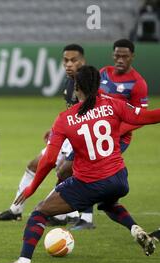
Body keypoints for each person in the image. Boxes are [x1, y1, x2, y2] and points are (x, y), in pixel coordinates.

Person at [0, 65, 158, 263]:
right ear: (99, 85)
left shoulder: (65, 119)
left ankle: (23, 262)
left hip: (89, 183)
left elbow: (48, 160)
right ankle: (135, 229)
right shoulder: (115, 105)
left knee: (40, 212)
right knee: (108, 204)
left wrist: (32, 188)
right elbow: (149, 117)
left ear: (76, 88)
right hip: (119, 179)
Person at [0, 44, 87, 226]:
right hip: (66, 137)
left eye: (74, 60)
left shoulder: (89, 85)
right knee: (34, 165)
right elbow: (71, 112)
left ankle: (62, 215)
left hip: (81, 139)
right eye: (66, 60)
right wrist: (56, 129)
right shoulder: (70, 82)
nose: (69, 64)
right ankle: (15, 210)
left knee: (64, 173)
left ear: (83, 61)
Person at [59, 39, 149, 230]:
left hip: (117, 138)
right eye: (117, 55)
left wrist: (113, 131)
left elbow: (138, 118)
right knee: (78, 170)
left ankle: (83, 217)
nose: (120, 59)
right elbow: (91, 99)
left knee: (82, 169)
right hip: (93, 130)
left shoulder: (138, 83)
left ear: (132, 56)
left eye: (125, 56)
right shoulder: (103, 73)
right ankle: (77, 214)